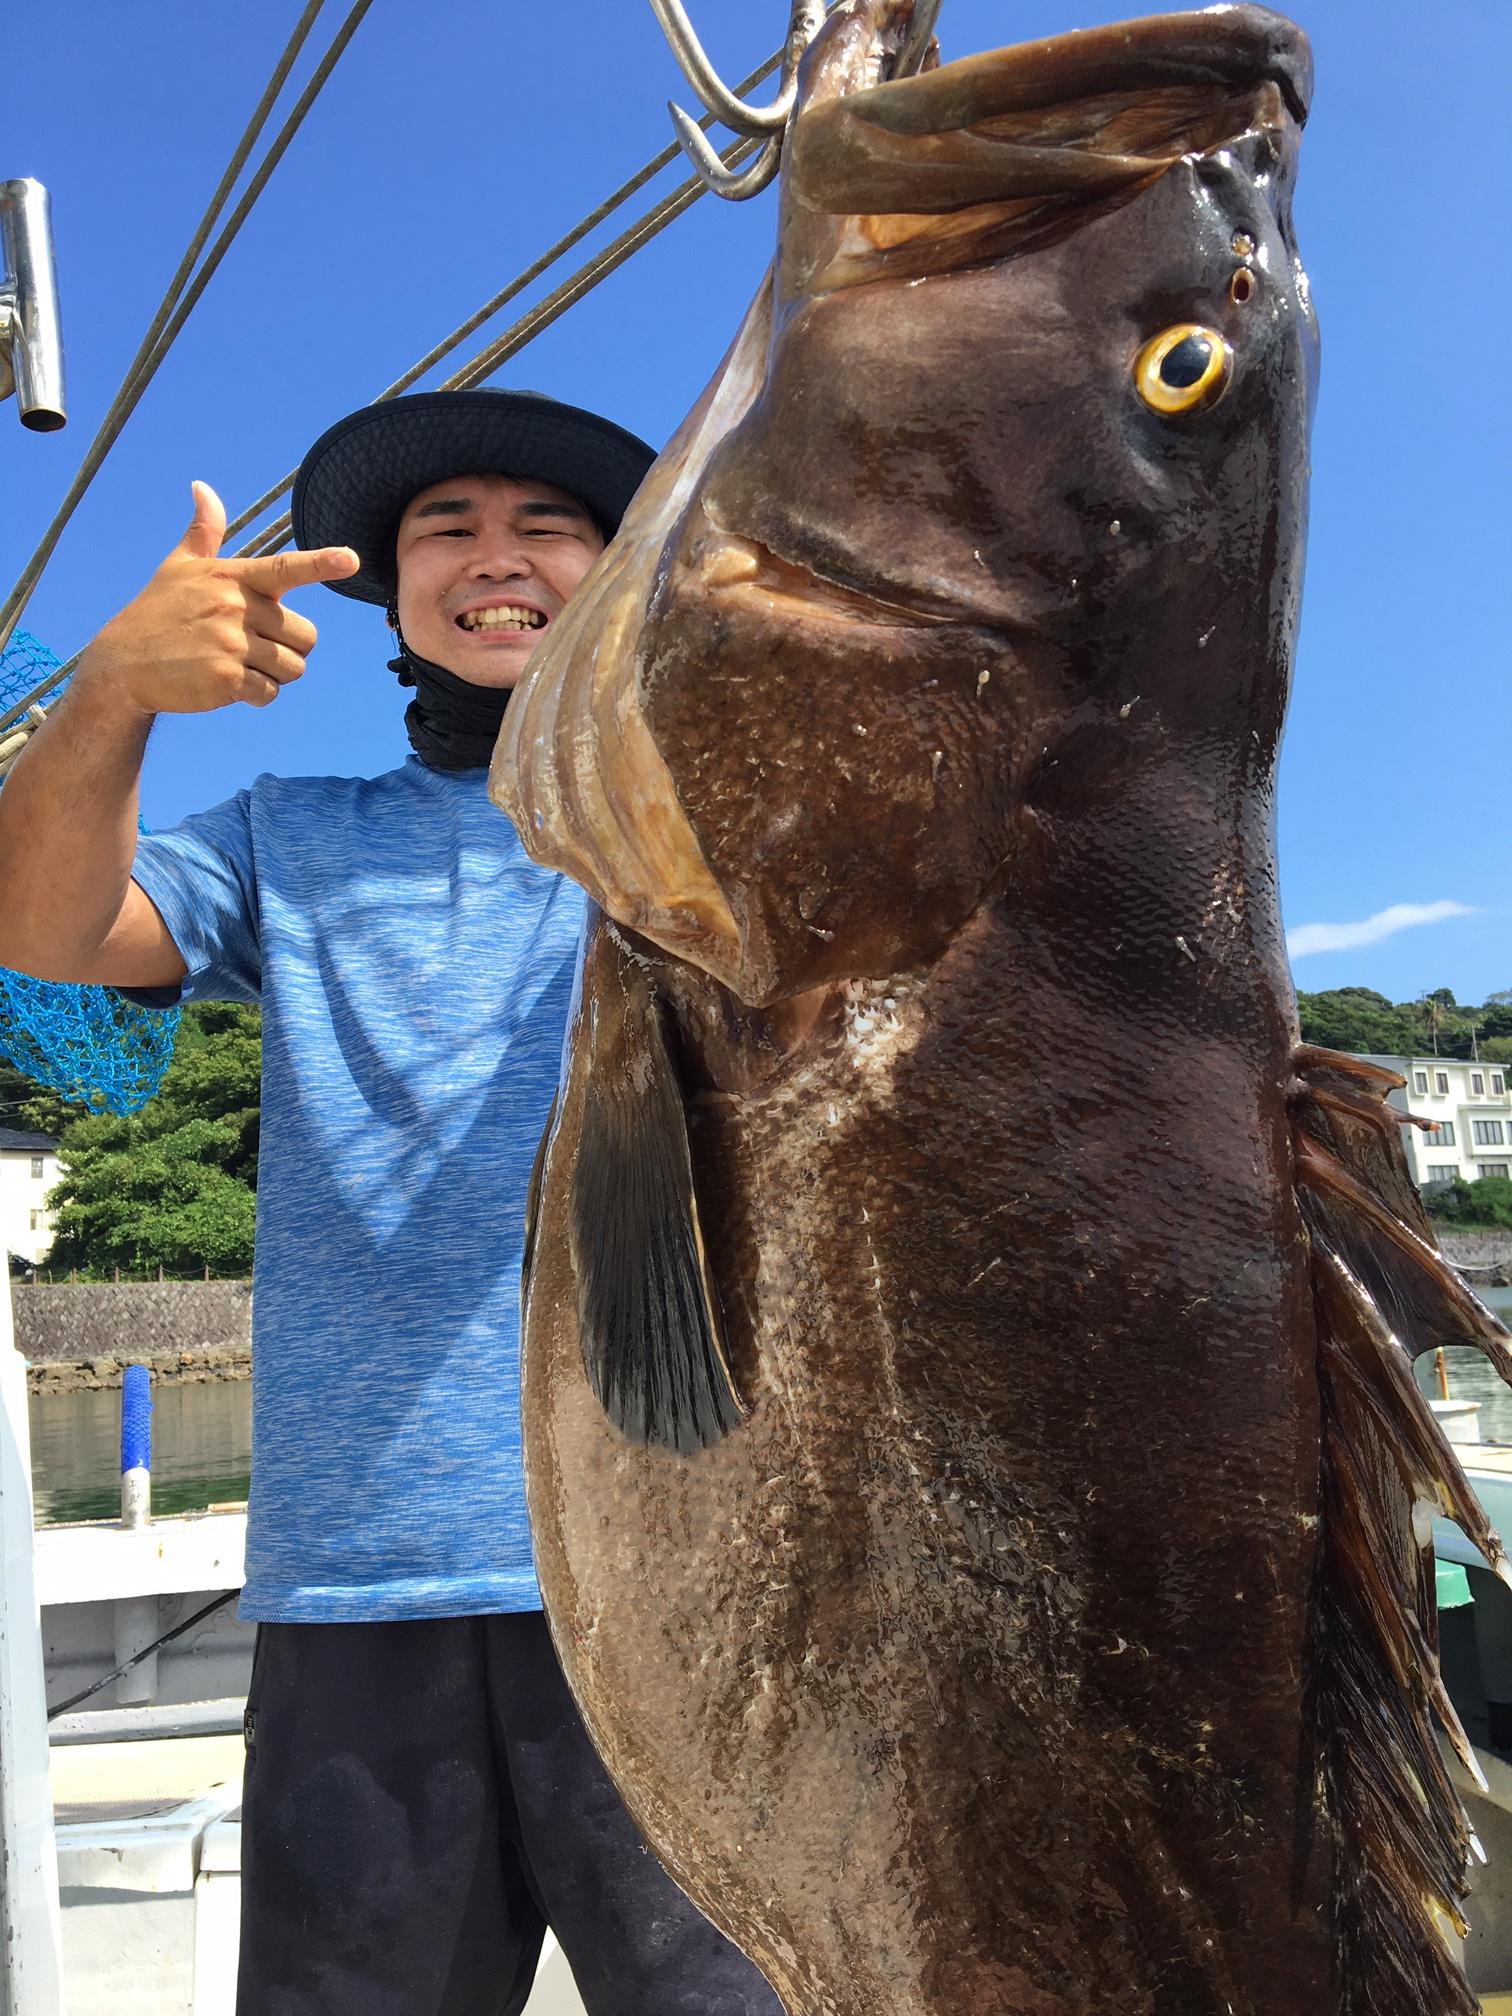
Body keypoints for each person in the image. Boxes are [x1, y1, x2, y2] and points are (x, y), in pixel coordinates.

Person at [0, 389, 784, 2016]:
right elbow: (45, 929)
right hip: (358, 1591)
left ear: (616, 572)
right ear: (390, 591)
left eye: (546, 526)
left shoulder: (732, 843)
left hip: (693, 1586)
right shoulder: (291, 838)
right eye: (449, 528)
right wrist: (114, 693)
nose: (497, 559)